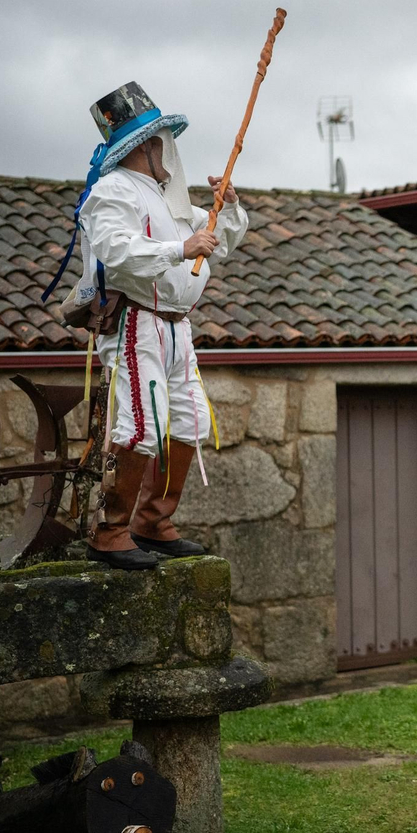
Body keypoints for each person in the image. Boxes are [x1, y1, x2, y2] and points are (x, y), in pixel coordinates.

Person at [56, 82, 248, 570]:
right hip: (135, 321)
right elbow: (115, 250)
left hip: (176, 328)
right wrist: (178, 250)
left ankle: (152, 522)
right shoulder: (112, 191)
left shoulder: (167, 198)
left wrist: (229, 206)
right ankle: (110, 530)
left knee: (187, 422)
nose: (169, 149)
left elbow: (217, 239)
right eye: (161, 139)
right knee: (141, 425)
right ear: (144, 145)